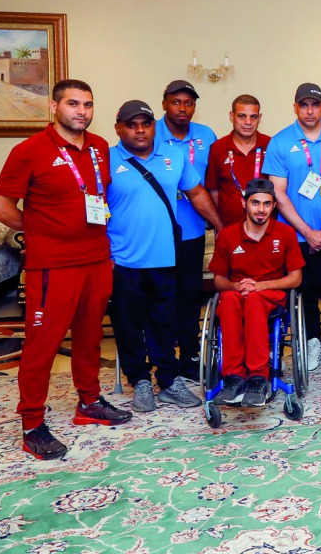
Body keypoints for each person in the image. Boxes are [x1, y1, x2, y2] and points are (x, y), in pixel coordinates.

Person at [0, 79, 132, 460]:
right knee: (44, 345)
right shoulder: (29, 151)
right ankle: (33, 423)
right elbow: (0, 207)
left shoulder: (101, 147)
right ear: (54, 108)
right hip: (53, 265)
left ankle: (89, 402)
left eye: (87, 104)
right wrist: (40, 227)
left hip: (97, 259)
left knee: (89, 336)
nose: (81, 111)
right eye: (73, 104)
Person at [108, 100, 222, 412]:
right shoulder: (105, 159)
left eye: (145, 123)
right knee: (129, 324)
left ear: (153, 125)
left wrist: (220, 227)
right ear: (118, 128)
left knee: (164, 322)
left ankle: (169, 381)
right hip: (123, 261)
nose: (140, 130)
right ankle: (140, 380)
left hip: (166, 258)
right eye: (132, 124)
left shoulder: (173, 155)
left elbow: (197, 193)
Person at [264, 83, 321, 371]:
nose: (309, 110)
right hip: (295, 236)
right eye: (303, 105)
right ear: (295, 107)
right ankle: (313, 341)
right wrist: (307, 232)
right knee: (303, 292)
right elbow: (277, 193)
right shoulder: (280, 142)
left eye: (315, 105)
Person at [208, 179, 305, 408]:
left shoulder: (285, 233)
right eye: (255, 203)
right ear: (244, 203)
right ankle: (233, 377)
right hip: (238, 293)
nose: (261, 209)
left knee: (253, 300)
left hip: (271, 295)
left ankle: (258, 377)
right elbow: (219, 280)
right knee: (229, 300)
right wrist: (236, 286)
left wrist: (260, 286)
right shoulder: (228, 236)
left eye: (267, 204)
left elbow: (296, 278)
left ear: (274, 206)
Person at [155, 80, 217, 382]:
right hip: (157, 234)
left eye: (189, 103)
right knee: (160, 297)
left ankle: (190, 356)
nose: (183, 108)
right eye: (176, 102)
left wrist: (217, 221)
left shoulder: (206, 136)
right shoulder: (149, 133)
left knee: (190, 296)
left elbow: (212, 183)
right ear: (165, 103)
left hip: (192, 230)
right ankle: (162, 358)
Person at [205, 94, 271, 229]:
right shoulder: (218, 148)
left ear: (259, 118)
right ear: (231, 116)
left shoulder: (271, 145)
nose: (248, 122)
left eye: (253, 117)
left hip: (267, 231)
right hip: (229, 229)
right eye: (242, 116)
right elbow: (214, 190)